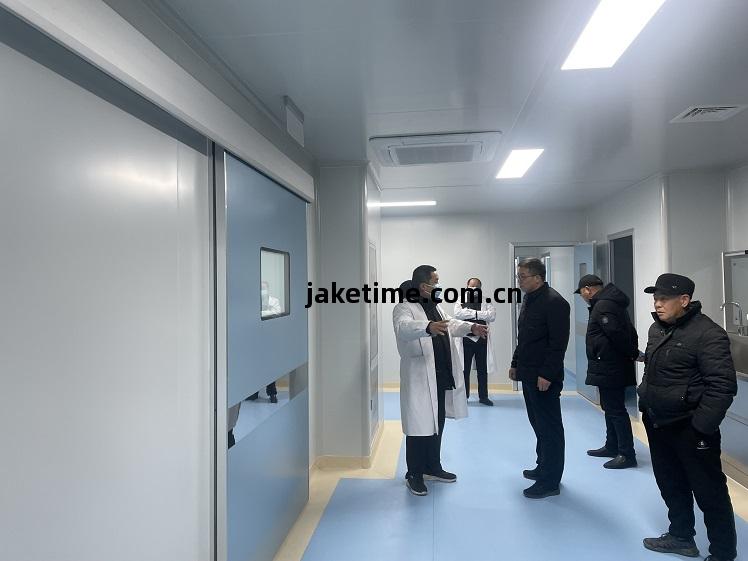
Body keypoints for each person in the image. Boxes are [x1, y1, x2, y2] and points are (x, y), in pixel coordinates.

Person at [638, 274, 738, 561]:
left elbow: (722, 386)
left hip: (690, 428)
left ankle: (722, 553)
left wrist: (700, 428)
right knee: (671, 484)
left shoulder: (708, 334)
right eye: (655, 299)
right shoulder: (657, 329)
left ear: (684, 300)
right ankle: (681, 537)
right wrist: (646, 401)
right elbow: (653, 372)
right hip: (658, 423)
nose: (657, 304)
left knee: (709, 492)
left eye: (664, 299)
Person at [393, 265, 488, 496]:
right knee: (418, 427)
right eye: (435, 281)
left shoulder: (435, 307)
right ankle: (414, 474)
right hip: (420, 376)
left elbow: (450, 324)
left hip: (440, 375)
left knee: (438, 423)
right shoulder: (404, 307)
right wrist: (426, 327)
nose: (438, 285)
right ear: (423, 286)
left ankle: (432, 467)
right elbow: (403, 328)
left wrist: (471, 327)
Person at [509, 257, 570, 499]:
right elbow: (524, 337)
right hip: (528, 373)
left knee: (549, 427)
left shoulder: (555, 302)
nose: (519, 281)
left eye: (522, 276)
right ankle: (542, 466)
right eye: (518, 276)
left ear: (537, 277)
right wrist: (515, 363)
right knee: (538, 424)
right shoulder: (530, 299)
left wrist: (547, 374)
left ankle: (550, 481)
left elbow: (558, 344)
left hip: (544, 377)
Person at [575, 274, 639, 469]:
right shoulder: (607, 303)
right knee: (609, 407)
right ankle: (612, 446)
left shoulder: (604, 305)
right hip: (609, 364)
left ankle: (626, 454)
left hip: (611, 365)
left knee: (616, 410)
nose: (583, 297)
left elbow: (617, 334)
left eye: (582, 293)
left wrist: (633, 353)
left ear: (587, 289)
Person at [454, 277, 496, 406]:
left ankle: (483, 397)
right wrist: (480, 314)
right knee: (464, 370)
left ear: (480, 288)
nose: (474, 289)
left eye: (476, 287)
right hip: (466, 339)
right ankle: (464, 396)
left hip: (482, 339)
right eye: (471, 286)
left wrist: (471, 313)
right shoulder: (460, 299)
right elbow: (458, 314)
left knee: (482, 370)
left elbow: (492, 315)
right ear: (467, 286)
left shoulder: (486, 300)